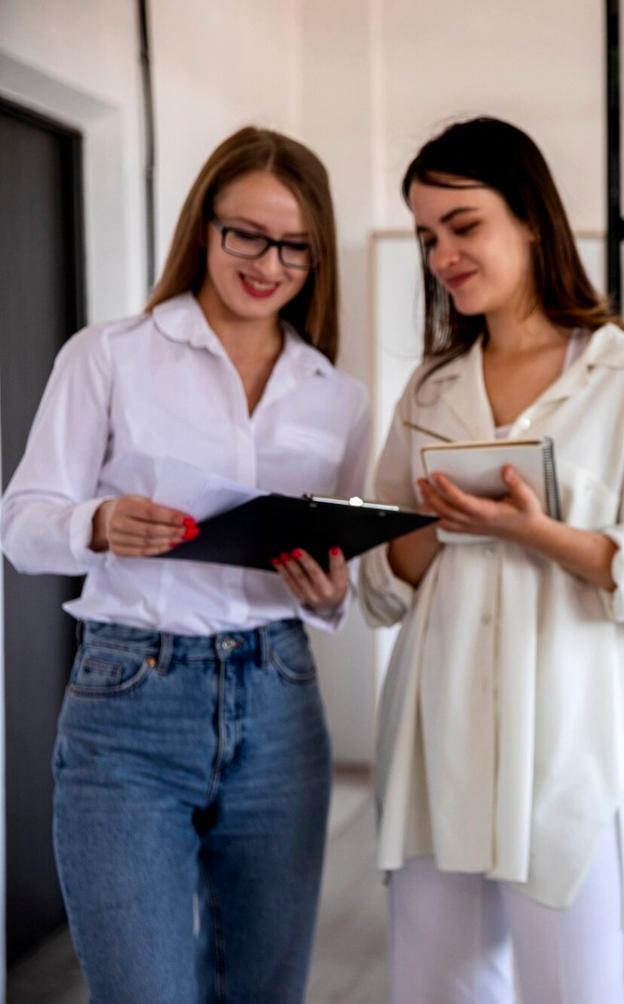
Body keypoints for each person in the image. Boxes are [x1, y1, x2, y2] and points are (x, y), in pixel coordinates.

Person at [0, 126, 370, 1001]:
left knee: (261, 991)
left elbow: (338, 553)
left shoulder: (336, 395)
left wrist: (328, 591)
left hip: (280, 697)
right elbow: (21, 526)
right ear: (202, 226)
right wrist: (99, 523)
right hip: (131, 704)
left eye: (295, 247)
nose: (268, 264)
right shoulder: (108, 357)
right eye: (247, 234)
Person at [360, 117, 624, 1004]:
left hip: (572, 752)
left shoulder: (621, 376)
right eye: (425, 235)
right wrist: (445, 523)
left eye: (463, 225)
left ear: (529, 221)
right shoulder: (431, 390)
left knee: (575, 993)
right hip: (435, 742)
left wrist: (537, 531)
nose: (442, 254)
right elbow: (377, 583)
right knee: (435, 991)